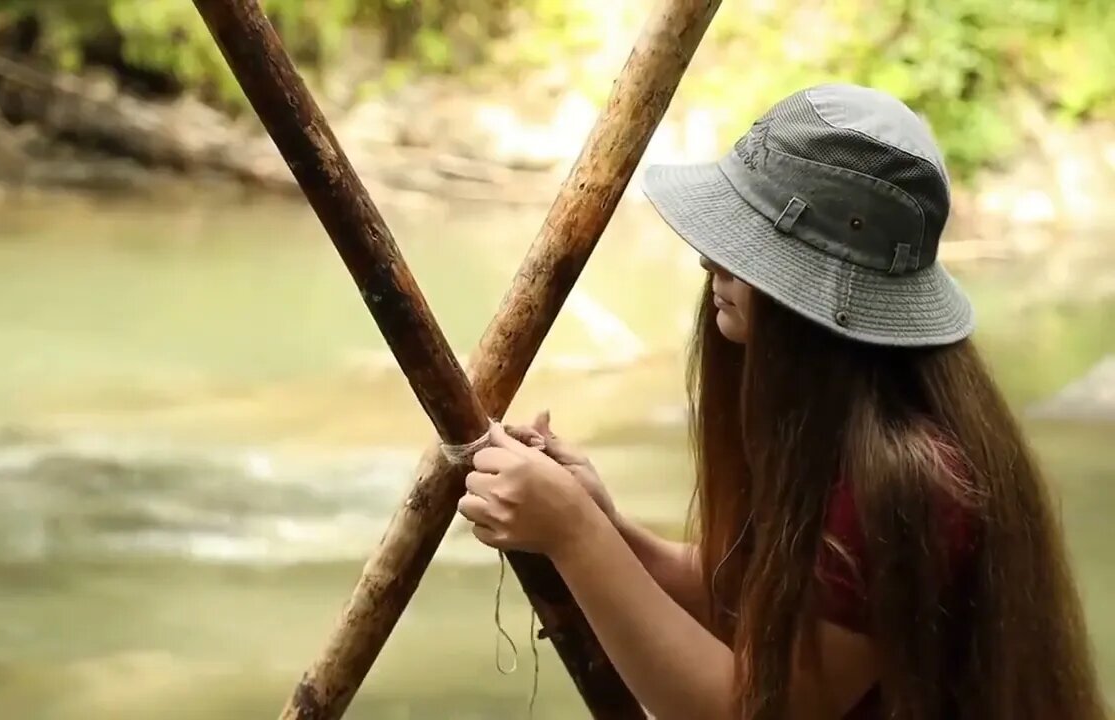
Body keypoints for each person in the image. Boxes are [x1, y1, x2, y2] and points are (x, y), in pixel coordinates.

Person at [455, 84, 1106, 720]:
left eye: (748, 249)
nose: (711, 262)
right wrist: (608, 529)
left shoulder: (910, 482)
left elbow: (755, 705)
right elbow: (754, 606)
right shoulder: (842, 442)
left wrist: (574, 533)